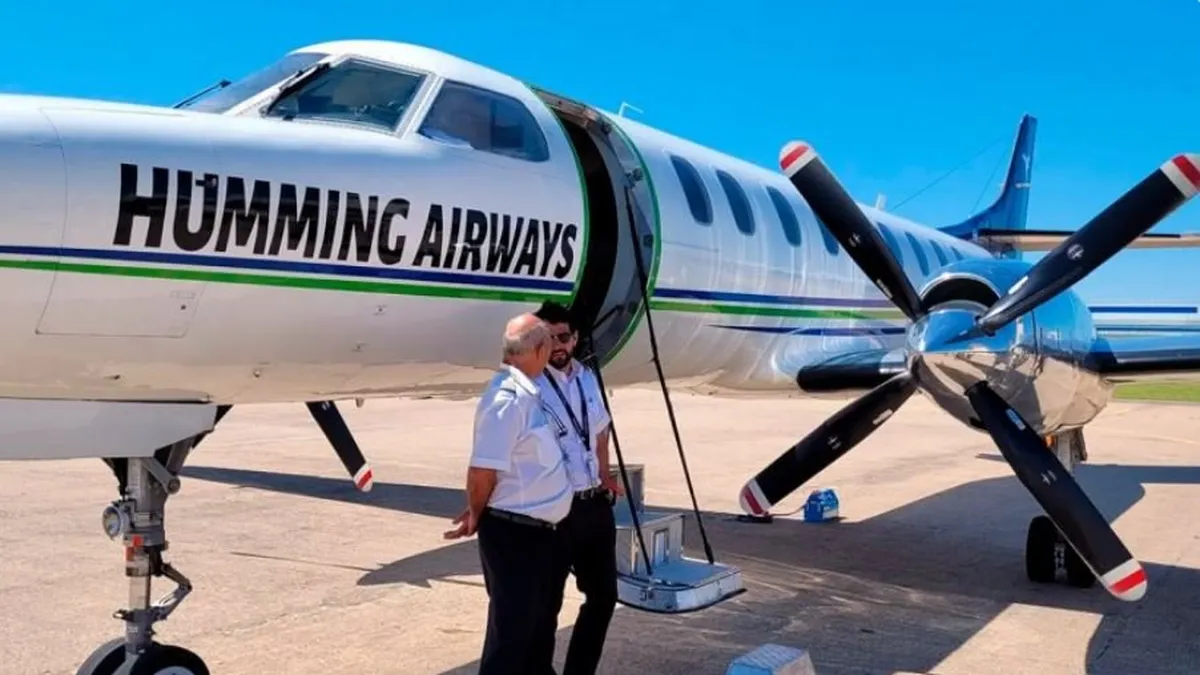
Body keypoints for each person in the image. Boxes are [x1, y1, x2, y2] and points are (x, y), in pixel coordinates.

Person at [444, 312, 575, 675]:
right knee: (511, 639)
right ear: (536, 349)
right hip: (515, 536)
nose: (553, 349)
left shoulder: (529, 393)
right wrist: (476, 512)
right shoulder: (506, 400)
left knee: (536, 634)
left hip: (540, 535)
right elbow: (482, 471)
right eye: (549, 342)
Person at [533, 301, 621, 675]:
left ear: (575, 338)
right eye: (548, 338)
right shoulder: (531, 386)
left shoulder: (587, 377)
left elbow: (600, 432)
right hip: (555, 511)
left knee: (603, 598)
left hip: (592, 505)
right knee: (545, 606)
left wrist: (606, 476)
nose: (558, 346)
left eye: (564, 337)